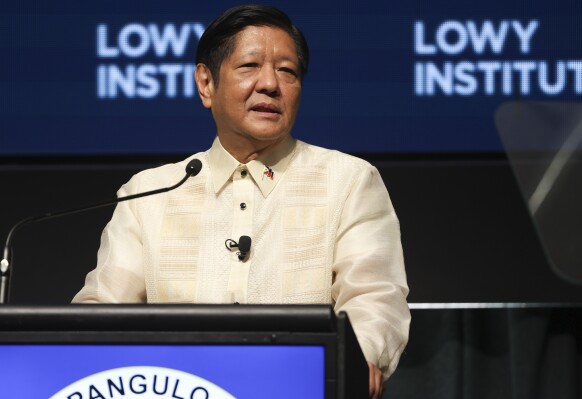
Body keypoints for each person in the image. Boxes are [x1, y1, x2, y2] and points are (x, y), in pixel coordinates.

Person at [73, 5, 410, 398]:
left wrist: (355, 358)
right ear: (206, 83)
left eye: (287, 70)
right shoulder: (148, 194)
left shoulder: (349, 181)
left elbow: (374, 297)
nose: (270, 83)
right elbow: (101, 312)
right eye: (250, 66)